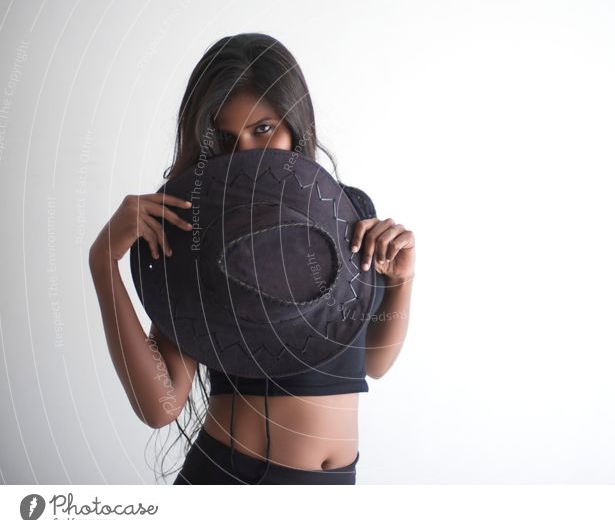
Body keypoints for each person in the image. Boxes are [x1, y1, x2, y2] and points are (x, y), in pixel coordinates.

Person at [88, 33, 415, 484]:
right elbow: (161, 407)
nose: (246, 155)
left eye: (263, 129)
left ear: (294, 123)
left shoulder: (348, 210)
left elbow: (374, 363)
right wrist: (103, 265)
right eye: (225, 138)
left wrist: (401, 280)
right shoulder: (194, 233)